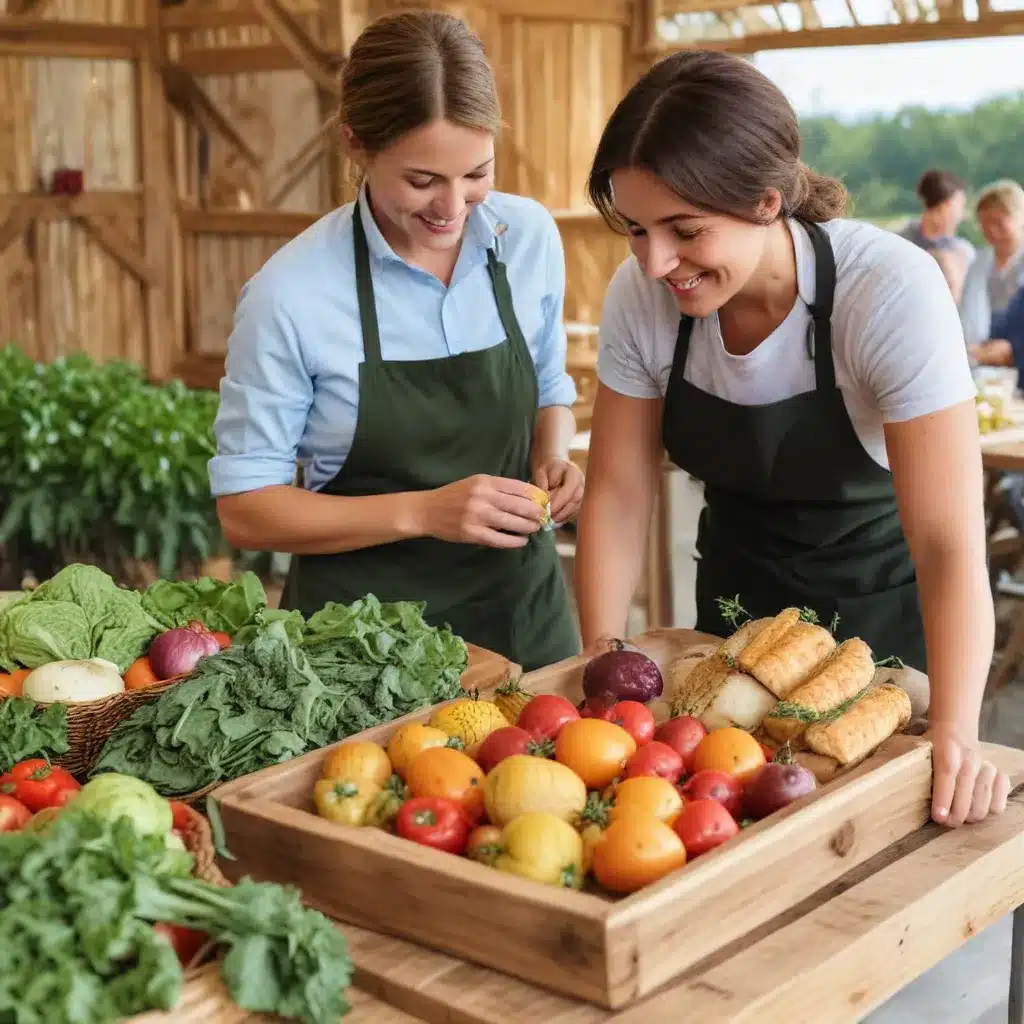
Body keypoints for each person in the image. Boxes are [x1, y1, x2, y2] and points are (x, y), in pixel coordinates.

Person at [574, 50, 1007, 827]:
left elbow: (947, 541)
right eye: (636, 229)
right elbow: (616, 491)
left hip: (880, 653)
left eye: (684, 230)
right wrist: (606, 671)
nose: (654, 261)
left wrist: (956, 733)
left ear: (768, 201)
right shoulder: (641, 298)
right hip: (728, 638)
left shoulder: (887, 293)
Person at [209, 11, 583, 671]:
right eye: (421, 181)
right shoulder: (291, 294)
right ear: (356, 145)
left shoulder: (526, 238)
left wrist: (552, 457)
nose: (452, 207)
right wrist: (423, 512)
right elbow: (248, 510)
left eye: (476, 174)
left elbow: (550, 384)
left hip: (523, 627)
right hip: (357, 656)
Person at [960, 180, 1024, 347]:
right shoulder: (978, 263)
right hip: (981, 352)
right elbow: (968, 315)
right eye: (984, 223)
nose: (992, 230)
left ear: (1020, 217)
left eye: (998, 222)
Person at [899, 168, 975, 267]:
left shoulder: (962, 251)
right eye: (961, 207)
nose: (963, 216)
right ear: (944, 207)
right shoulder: (899, 244)